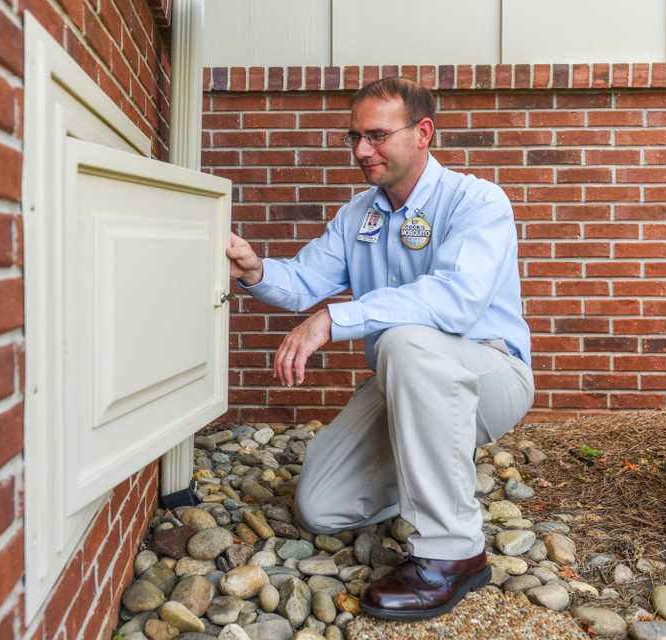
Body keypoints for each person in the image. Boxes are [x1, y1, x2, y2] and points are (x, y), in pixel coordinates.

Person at [225, 77, 535, 621]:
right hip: (406, 381)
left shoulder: (476, 200)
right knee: (320, 506)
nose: (361, 150)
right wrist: (256, 270)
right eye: (354, 137)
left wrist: (335, 319)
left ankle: (454, 551)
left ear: (423, 133)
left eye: (376, 135)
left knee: (404, 339)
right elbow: (302, 280)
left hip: (492, 372)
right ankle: (431, 470)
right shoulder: (358, 215)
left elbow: (455, 302)